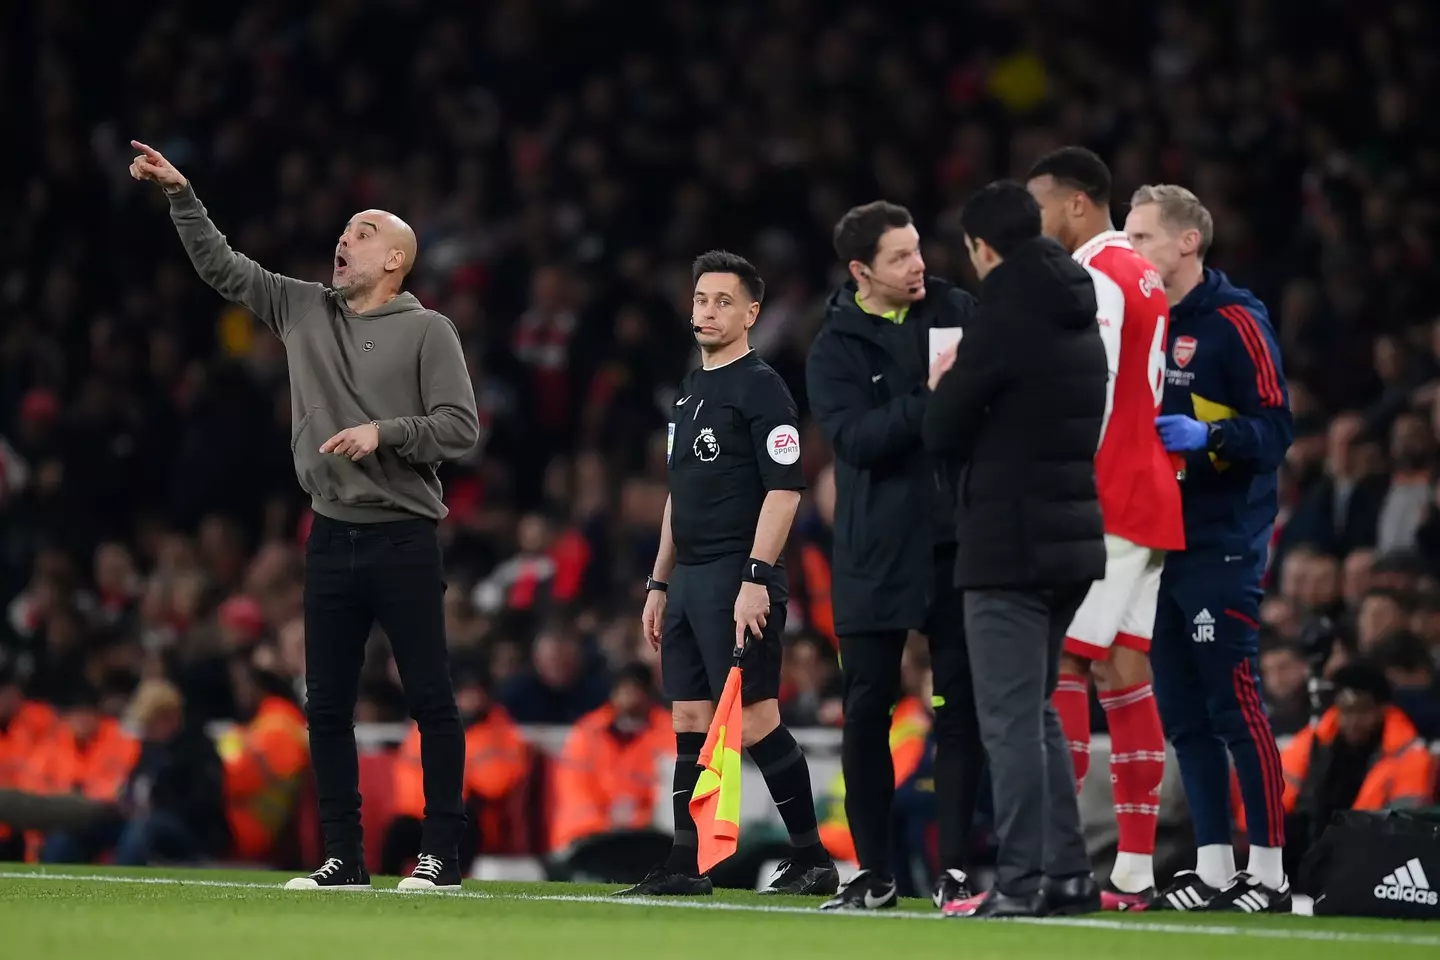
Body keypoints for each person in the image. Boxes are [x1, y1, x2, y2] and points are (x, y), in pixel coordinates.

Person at [129, 140, 479, 892]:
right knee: (325, 704)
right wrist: (182, 196)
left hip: (404, 536)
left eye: (361, 232)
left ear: (395, 260)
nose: (343, 240)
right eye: (344, 230)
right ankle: (344, 857)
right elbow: (226, 269)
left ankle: (441, 852)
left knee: (428, 696)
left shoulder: (430, 331)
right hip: (329, 533)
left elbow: (461, 427)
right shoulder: (302, 308)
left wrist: (385, 431)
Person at [620, 251, 839, 897]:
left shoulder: (762, 386)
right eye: (700, 300)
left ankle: (811, 855)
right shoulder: (689, 392)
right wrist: (659, 583)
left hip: (737, 576)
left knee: (753, 719)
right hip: (689, 577)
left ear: (751, 314)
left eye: (723, 301)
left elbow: (785, 490)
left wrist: (754, 577)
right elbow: (677, 497)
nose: (708, 311)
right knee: (689, 714)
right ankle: (685, 864)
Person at [922, 181, 1107, 919]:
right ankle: (1067, 876)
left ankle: (1024, 881)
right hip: (1072, 541)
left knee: (1007, 718)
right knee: (1037, 712)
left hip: (1009, 544)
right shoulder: (1075, 305)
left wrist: (943, 386)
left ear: (980, 247)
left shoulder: (1003, 314)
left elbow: (943, 427)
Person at [805, 200, 982, 911]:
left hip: (956, 541)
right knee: (868, 709)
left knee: (960, 709)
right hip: (874, 549)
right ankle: (873, 875)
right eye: (900, 257)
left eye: (917, 250)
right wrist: (930, 400)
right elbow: (856, 441)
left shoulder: (959, 309)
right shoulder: (834, 347)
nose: (919, 266)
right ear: (861, 272)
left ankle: (957, 873)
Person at [1126, 184, 1295, 912]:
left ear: (1187, 243)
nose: (1131, 251)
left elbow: (1277, 431)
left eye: (1142, 239)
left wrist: (1213, 437)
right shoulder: (1139, 322)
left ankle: (1272, 871)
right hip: (1157, 546)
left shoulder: (1235, 320)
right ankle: (1215, 867)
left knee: (1235, 706)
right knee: (1184, 715)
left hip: (1221, 542)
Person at [1026, 147, 1185, 910]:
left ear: (1079, 204)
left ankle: (1058, 865)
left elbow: (1093, 388)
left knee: (1061, 662)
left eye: (1044, 205)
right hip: (1150, 490)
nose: (1039, 221)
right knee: (1124, 672)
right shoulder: (1145, 272)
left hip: (1109, 495)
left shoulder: (1097, 275)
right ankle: (1130, 871)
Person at [1276, 662, 1435, 873]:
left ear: (1382, 710)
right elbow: (1278, 801)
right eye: (1346, 711)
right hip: (1311, 849)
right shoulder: (1313, 742)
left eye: (1362, 711)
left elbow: (1405, 825)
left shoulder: (1410, 756)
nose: (1353, 721)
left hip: (1374, 855)